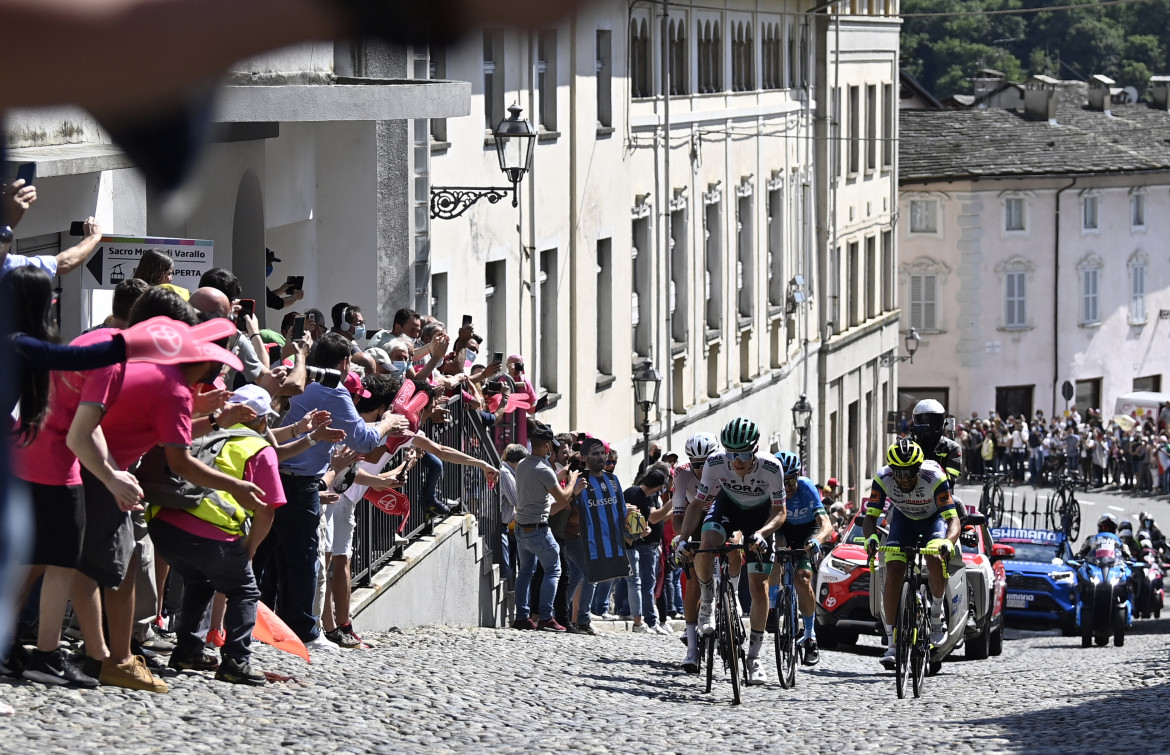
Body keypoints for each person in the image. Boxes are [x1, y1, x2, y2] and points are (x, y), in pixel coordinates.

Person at [266, 333, 407, 646]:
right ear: (344, 363)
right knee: (304, 560)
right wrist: (387, 423)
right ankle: (304, 633)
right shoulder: (333, 390)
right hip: (300, 483)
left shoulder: (300, 379)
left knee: (271, 558)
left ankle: (267, 628)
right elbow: (362, 441)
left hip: (275, 474)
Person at [147, 384, 285, 685]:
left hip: (162, 526)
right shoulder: (258, 448)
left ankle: (188, 650)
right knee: (244, 590)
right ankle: (236, 661)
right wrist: (247, 551)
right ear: (260, 420)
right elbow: (267, 510)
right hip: (211, 533)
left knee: (200, 580)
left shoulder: (202, 431)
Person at [692, 418, 787, 686]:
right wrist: (681, 538)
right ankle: (709, 601)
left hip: (761, 518)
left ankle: (754, 657)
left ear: (754, 450)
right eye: (732, 454)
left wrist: (762, 533)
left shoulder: (772, 467)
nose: (737, 461)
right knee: (705, 545)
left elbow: (780, 511)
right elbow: (698, 503)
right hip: (728, 508)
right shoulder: (714, 463)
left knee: (759, 588)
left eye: (743, 454)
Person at [863, 438, 960, 669]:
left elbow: (953, 519)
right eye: (899, 473)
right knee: (894, 570)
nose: (905, 478)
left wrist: (948, 542)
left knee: (934, 556)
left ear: (919, 468)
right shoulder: (882, 478)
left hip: (932, 520)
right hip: (903, 520)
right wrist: (872, 538)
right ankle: (892, 643)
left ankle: (936, 614)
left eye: (910, 473)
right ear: (892, 470)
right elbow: (870, 518)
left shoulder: (934, 477)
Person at [512, 422, 581, 632]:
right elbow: (562, 497)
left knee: (525, 572)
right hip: (538, 528)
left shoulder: (523, 464)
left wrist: (559, 476)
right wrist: (573, 481)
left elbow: (539, 485)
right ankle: (545, 616)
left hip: (522, 527)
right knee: (554, 570)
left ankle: (522, 616)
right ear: (548, 446)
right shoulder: (545, 469)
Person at [670, 432, 725, 673]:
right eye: (696, 464)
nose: (701, 469)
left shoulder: (726, 465)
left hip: (724, 514)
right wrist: (683, 541)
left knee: (733, 548)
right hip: (695, 516)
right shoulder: (682, 474)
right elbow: (678, 518)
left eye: (706, 463)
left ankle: (730, 591)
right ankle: (692, 648)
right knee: (692, 582)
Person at [772, 451, 831, 666]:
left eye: (790, 481)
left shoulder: (806, 487)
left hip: (807, 529)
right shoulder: (771, 488)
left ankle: (809, 635)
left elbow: (826, 524)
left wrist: (817, 540)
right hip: (783, 527)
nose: (786, 487)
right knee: (774, 550)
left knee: (803, 577)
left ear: (797, 477)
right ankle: (773, 601)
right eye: (781, 482)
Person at [622, 468, 670, 634]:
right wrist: (643, 531)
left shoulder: (631, 491)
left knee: (633, 582)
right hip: (634, 543)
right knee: (641, 583)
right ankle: (645, 621)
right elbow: (647, 519)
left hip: (630, 543)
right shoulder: (642, 497)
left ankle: (641, 620)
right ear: (657, 487)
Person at [910, 399, 962, 487]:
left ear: (943, 422)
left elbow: (950, 480)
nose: (928, 425)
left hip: (939, 494)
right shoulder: (908, 445)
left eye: (933, 421)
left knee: (958, 501)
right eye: (923, 420)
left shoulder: (952, 447)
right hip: (907, 494)